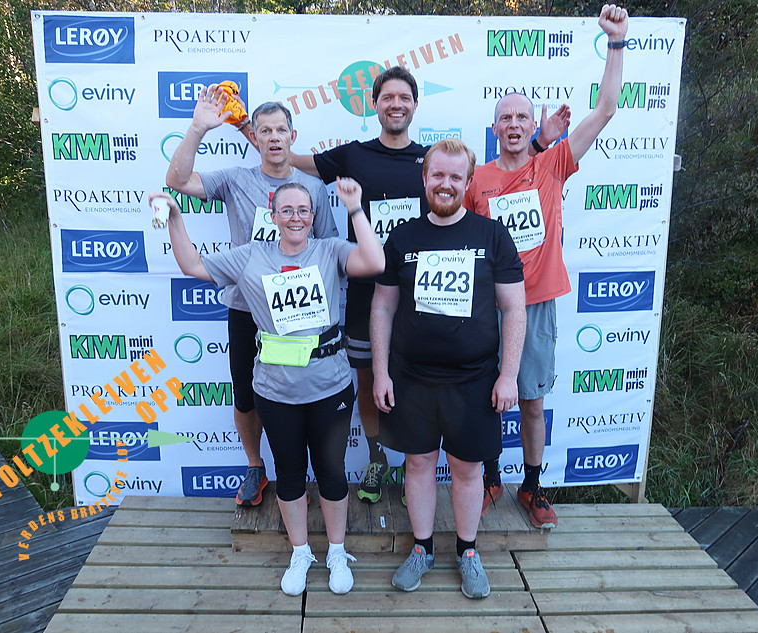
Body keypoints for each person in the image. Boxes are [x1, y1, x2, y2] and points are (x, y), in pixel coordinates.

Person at [153, 177, 384, 596]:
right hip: (276, 390)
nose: (296, 217)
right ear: (273, 216)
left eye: (303, 210)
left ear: (313, 216)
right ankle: (300, 552)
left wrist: (354, 207)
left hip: (329, 386)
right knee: (289, 473)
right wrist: (174, 218)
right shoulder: (251, 255)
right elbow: (192, 266)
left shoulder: (329, 249)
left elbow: (374, 262)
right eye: (287, 210)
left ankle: (336, 551)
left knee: (331, 472)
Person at [464, 4, 629, 529]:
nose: (513, 124)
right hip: (486, 309)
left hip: (535, 306)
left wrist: (616, 43)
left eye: (522, 117)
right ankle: (491, 479)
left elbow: (605, 109)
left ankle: (532, 487)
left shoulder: (553, 163)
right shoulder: (477, 179)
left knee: (531, 403)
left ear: (533, 125)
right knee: (486, 401)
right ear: (494, 128)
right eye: (505, 118)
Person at [166, 93, 338, 508]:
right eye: (265, 131)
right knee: (245, 395)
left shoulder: (314, 188)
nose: (274, 138)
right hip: (247, 309)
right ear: (254, 137)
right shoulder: (236, 179)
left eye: (281, 130)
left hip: (300, 314)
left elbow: (330, 250)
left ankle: (301, 477)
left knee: (304, 397)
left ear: (293, 135)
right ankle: (255, 465)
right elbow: (178, 181)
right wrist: (198, 127)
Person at [371, 138, 526, 599]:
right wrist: (380, 372)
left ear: (468, 182)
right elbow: (382, 308)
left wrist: (508, 374)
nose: (446, 184)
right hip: (411, 378)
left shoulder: (492, 236)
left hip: (474, 380)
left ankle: (467, 551)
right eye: (438, 175)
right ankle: (421, 548)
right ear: (425, 178)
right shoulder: (402, 238)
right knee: (418, 463)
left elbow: (514, 309)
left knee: (467, 468)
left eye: (456, 177)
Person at [288, 66, 428, 504]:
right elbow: (295, 161)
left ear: (415, 104)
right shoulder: (354, 155)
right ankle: (376, 457)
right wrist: (257, 136)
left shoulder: (432, 160)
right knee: (368, 380)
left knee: (419, 380)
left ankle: (416, 467)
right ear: (375, 104)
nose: (396, 104)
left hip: (422, 293)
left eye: (403, 97)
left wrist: (539, 145)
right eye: (388, 97)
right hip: (367, 293)